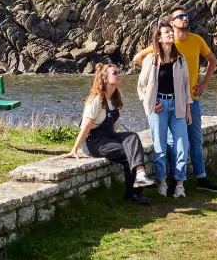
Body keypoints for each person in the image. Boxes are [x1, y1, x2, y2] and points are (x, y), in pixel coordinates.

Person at [64, 62, 155, 204]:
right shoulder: (96, 100)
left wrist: (119, 141)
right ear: (105, 78)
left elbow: (114, 128)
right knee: (128, 154)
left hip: (108, 137)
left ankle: (140, 175)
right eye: (115, 73)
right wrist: (74, 149)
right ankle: (134, 194)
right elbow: (86, 127)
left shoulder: (114, 98)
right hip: (94, 142)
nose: (119, 75)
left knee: (132, 137)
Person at [167, 8, 217, 192]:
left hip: (193, 99)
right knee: (173, 142)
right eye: (180, 17)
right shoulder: (167, 42)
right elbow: (140, 58)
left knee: (196, 140)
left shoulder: (197, 40)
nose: (185, 19)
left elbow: (212, 60)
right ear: (171, 23)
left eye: (186, 16)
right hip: (171, 102)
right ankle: (173, 180)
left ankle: (201, 178)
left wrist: (204, 84)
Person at [136, 23, 193, 197]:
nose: (170, 34)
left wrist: (188, 110)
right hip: (159, 107)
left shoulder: (180, 59)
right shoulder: (151, 59)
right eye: (166, 32)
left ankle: (180, 184)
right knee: (160, 146)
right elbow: (141, 86)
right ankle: (162, 182)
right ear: (159, 38)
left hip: (178, 106)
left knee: (182, 145)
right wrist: (151, 103)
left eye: (171, 32)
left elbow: (186, 86)